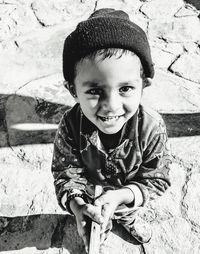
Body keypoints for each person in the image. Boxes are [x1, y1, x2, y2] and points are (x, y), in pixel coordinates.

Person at [51, 8, 171, 252]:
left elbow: (157, 178)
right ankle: (99, 229)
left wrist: (121, 197)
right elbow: (65, 172)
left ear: (143, 85)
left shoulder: (151, 128)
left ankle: (128, 221)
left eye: (125, 88)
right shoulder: (71, 125)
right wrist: (77, 206)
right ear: (72, 89)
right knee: (96, 224)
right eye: (94, 91)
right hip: (89, 196)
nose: (112, 105)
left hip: (128, 198)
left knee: (127, 213)